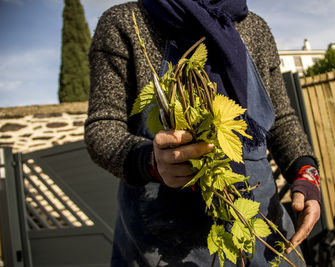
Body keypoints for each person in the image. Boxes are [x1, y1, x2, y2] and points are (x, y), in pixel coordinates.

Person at [84, 0, 321, 266]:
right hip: (167, 239)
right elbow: (102, 127)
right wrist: (150, 161)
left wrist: (307, 174)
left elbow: (281, 119)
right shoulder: (125, 23)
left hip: (260, 224)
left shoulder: (255, 28)